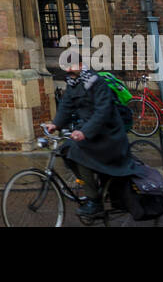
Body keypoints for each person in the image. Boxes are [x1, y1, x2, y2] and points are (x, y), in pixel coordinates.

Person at [42, 59, 134, 218]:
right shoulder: (73, 83)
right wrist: (55, 124)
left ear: (80, 65)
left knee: (79, 155)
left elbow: (102, 112)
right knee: (65, 150)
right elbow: (66, 105)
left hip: (108, 133)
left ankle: (94, 201)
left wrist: (84, 132)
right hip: (92, 131)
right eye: (66, 67)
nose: (68, 70)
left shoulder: (96, 82)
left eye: (71, 66)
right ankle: (90, 184)